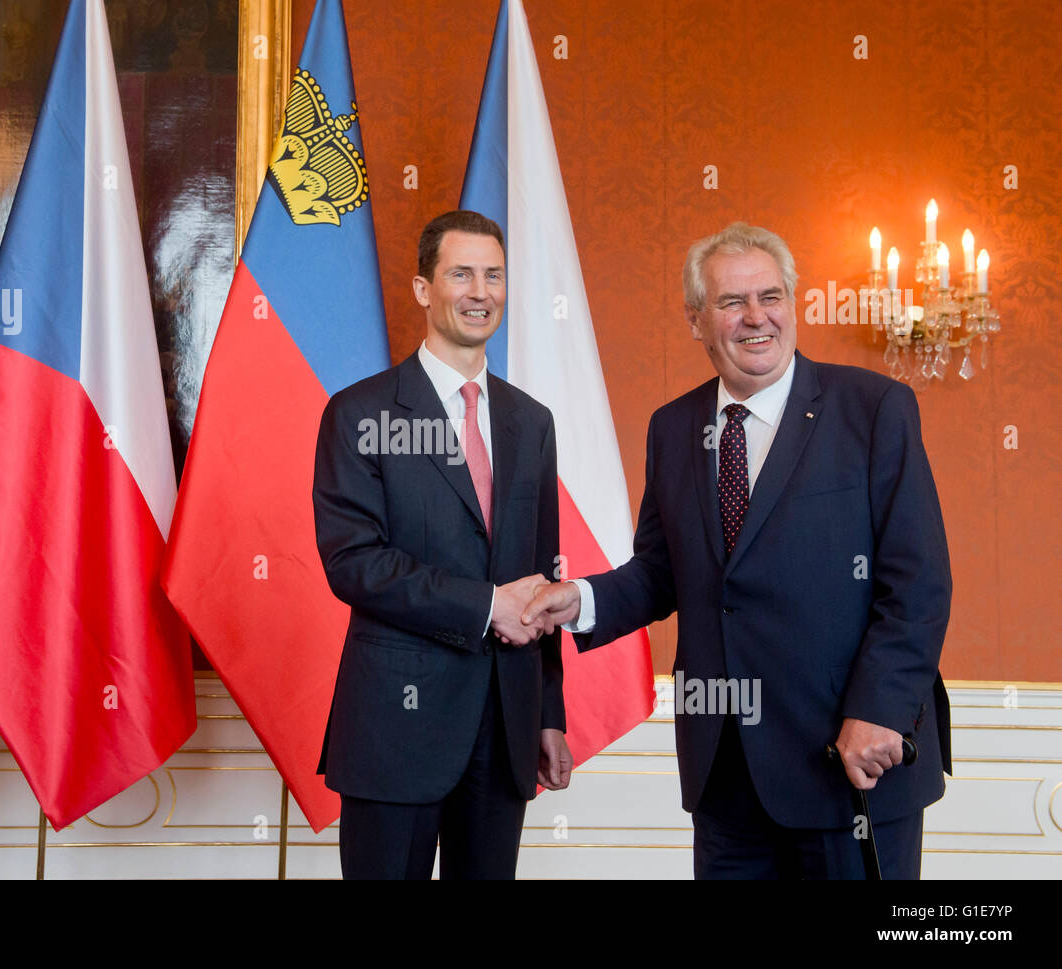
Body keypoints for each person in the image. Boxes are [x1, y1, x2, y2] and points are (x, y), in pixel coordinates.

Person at [522, 222, 952, 879]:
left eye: (770, 296)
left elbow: (917, 584)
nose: (756, 318)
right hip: (726, 777)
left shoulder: (873, 409)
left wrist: (880, 710)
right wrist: (578, 599)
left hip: (849, 760)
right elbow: (665, 572)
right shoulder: (673, 427)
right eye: (731, 302)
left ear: (793, 302)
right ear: (696, 319)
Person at [313, 209, 572, 879]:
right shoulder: (360, 413)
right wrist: (485, 606)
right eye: (461, 273)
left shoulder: (531, 423)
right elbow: (353, 562)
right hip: (395, 728)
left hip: (507, 727)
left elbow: (540, 581)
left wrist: (549, 713)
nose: (480, 291)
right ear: (424, 289)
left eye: (493, 275)